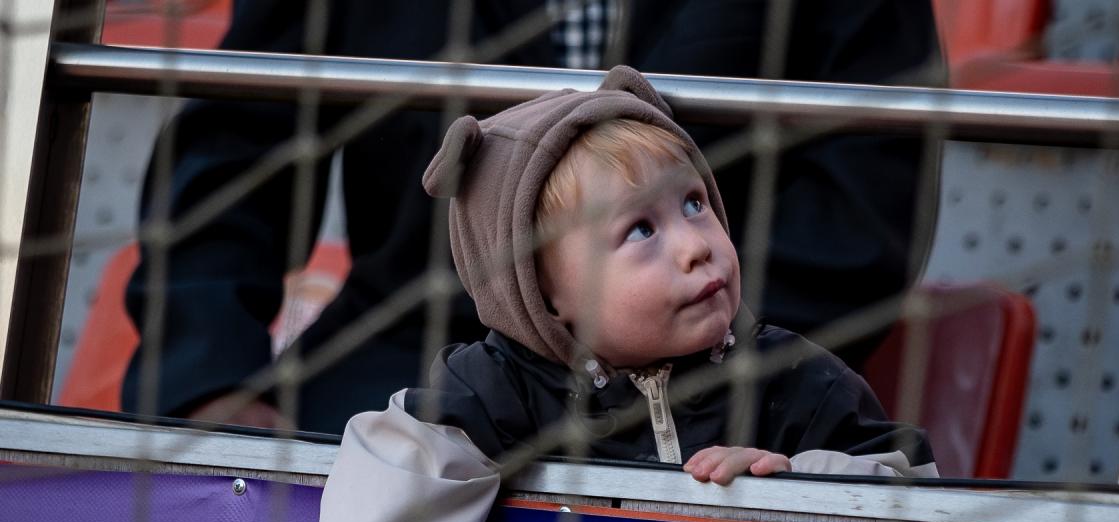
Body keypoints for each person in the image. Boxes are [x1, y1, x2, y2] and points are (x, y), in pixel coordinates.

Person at [316, 67, 938, 522]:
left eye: (695, 203)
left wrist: (797, 484)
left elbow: (914, 488)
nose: (696, 245)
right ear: (545, 292)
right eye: (641, 229)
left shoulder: (790, 375)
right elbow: (400, 461)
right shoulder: (499, 385)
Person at [121, 0, 942, 433]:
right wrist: (207, 385)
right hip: (409, 352)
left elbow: (867, 185)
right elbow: (233, 146)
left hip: (722, 368)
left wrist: (723, 368)